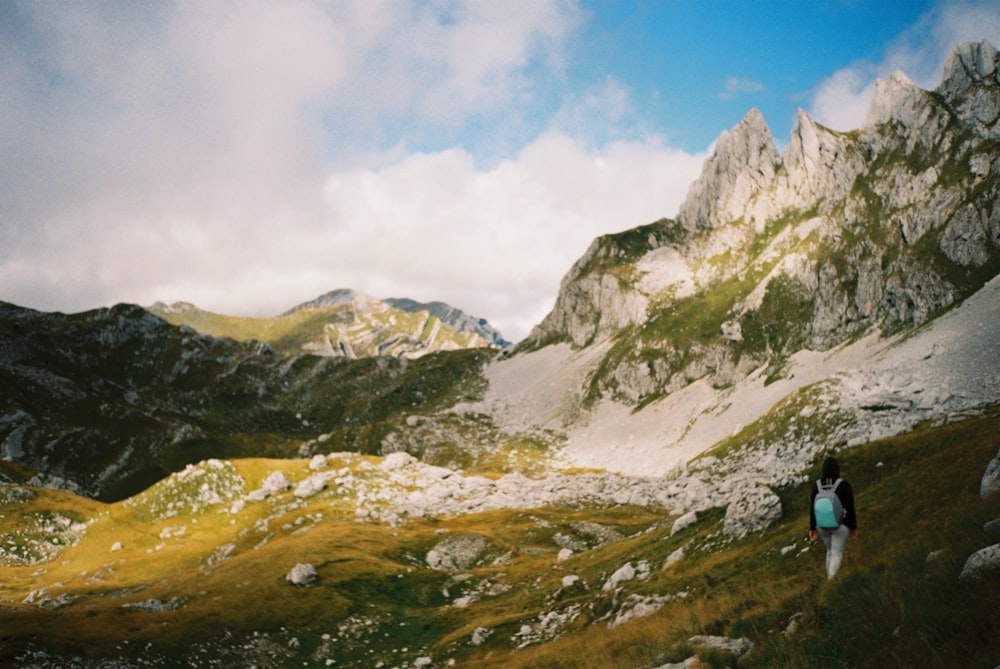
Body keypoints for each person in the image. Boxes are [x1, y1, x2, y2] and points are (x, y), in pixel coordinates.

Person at [809, 456, 858, 579]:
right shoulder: (843, 485)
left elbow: (812, 507)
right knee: (837, 553)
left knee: (830, 552)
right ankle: (831, 581)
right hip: (840, 525)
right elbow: (850, 508)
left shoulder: (817, 485)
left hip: (822, 526)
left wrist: (812, 528)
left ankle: (829, 579)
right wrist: (853, 527)